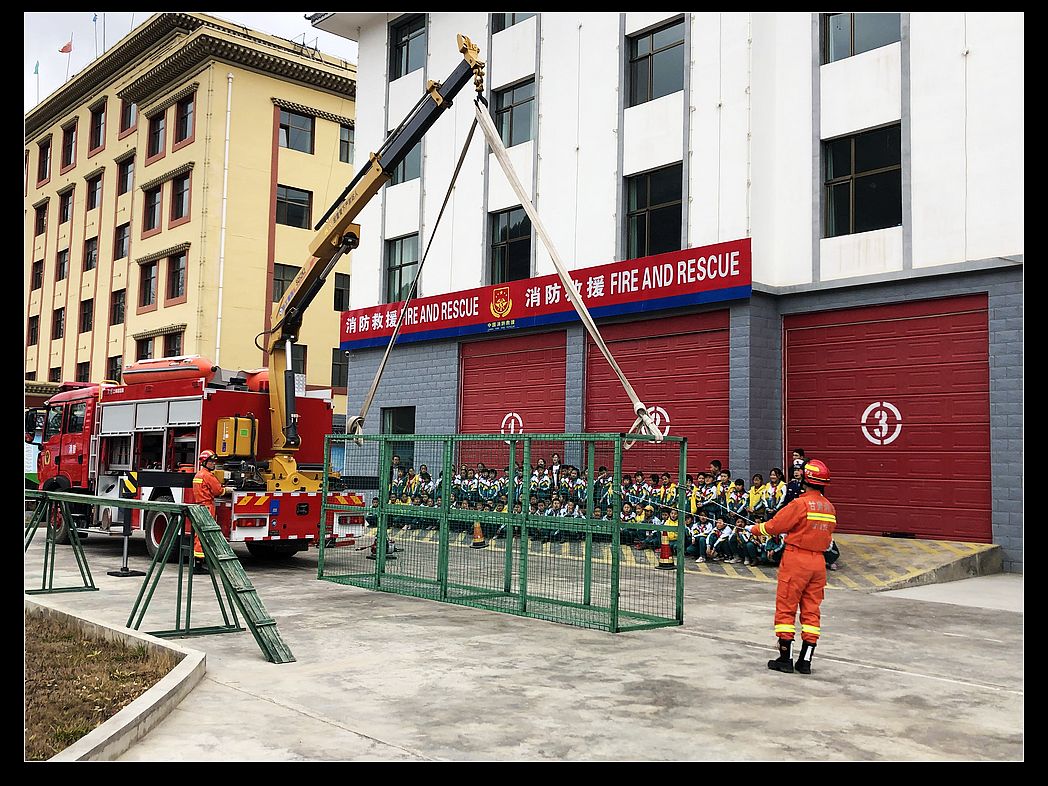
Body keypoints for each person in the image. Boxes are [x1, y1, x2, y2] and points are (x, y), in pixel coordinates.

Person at [749, 459, 836, 675]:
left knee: (786, 607)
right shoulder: (829, 507)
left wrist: (755, 529)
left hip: (796, 560)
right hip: (818, 563)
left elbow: (775, 526)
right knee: (812, 611)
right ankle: (805, 660)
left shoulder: (800, 504)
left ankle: (785, 658)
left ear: (805, 479)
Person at [191, 450, 233, 573]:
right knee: (205, 535)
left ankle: (198, 563)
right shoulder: (208, 476)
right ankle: (199, 565)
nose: (213, 463)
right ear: (204, 462)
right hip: (207, 508)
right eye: (211, 461)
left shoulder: (198, 475)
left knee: (199, 535)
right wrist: (228, 490)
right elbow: (218, 491)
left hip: (199, 507)